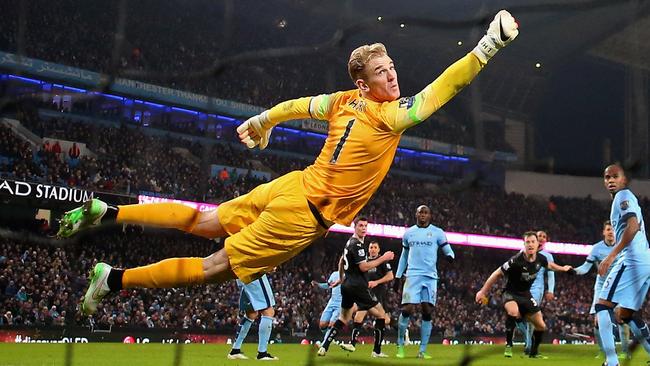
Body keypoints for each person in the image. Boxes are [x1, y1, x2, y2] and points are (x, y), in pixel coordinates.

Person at [55, 10, 519, 316]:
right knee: (214, 266)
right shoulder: (390, 117)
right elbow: (445, 88)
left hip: (292, 185)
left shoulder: (341, 101)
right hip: (303, 214)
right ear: (364, 84)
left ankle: (108, 211)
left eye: (392, 66)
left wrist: (263, 120)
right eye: (381, 71)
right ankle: (113, 279)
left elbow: (299, 105)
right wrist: (488, 47)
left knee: (204, 219)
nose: (393, 75)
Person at [475, 231, 573, 359]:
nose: (530, 244)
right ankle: (509, 345)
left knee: (541, 325)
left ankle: (533, 352)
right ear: (524, 244)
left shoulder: (541, 259)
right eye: (528, 242)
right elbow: (497, 273)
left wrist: (563, 268)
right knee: (513, 312)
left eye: (533, 242)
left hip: (525, 295)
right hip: (510, 293)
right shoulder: (516, 260)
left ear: (538, 244)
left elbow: (550, 266)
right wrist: (482, 292)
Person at [595, 164, 650, 366]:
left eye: (615, 176)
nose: (610, 180)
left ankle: (611, 362)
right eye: (607, 177)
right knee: (625, 314)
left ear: (624, 180)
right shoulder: (625, 198)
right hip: (644, 260)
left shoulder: (623, 196)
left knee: (601, 306)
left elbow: (633, 226)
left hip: (632, 258)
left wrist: (611, 256)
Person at [317, 217, 394, 358]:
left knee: (344, 318)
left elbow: (341, 261)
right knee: (381, 315)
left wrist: (340, 279)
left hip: (346, 286)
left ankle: (324, 346)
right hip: (359, 287)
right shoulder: (357, 245)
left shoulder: (349, 243)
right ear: (355, 227)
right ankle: (376, 351)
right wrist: (384, 258)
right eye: (360, 226)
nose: (363, 228)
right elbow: (364, 267)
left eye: (365, 226)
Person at [394, 205, 454, 359]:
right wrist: (398, 276)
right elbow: (404, 255)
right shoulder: (409, 234)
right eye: (420, 212)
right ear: (416, 214)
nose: (423, 214)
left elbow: (447, 249)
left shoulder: (437, 232)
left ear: (430, 215)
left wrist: (450, 256)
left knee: (427, 310)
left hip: (430, 277)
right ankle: (400, 345)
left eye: (426, 212)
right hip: (412, 275)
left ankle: (422, 350)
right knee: (407, 309)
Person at [573, 221, 630, 360]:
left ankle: (625, 351)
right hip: (602, 286)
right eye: (608, 229)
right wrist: (572, 271)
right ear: (603, 232)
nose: (611, 232)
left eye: (613, 229)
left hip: (619, 285)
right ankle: (603, 351)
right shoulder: (597, 248)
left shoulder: (622, 246)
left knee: (621, 318)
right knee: (598, 321)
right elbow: (586, 267)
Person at [350, 240, 394, 347]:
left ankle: (398, 328)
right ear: (368, 250)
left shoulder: (382, 261)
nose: (373, 249)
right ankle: (352, 344)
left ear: (378, 250)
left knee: (384, 320)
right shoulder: (365, 262)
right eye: (371, 247)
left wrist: (376, 282)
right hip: (365, 294)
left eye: (375, 247)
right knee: (358, 317)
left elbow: (390, 276)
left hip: (378, 295)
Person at [227, 274, 278, 361]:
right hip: (254, 273)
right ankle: (262, 353)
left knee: (251, 313)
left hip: (242, 274)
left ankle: (235, 350)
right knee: (268, 311)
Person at [520, 230, 555, 355]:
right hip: (522, 288)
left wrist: (550, 290)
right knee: (517, 317)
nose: (541, 238)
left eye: (544, 236)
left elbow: (551, 275)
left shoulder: (547, 256)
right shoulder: (523, 253)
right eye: (539, 236)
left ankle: (529, 345)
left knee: (531, 315)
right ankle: (527, 340)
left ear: (546, 240)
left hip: (536, 289)